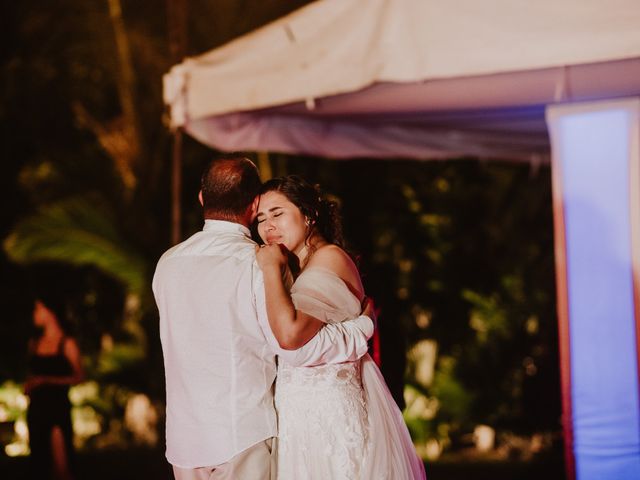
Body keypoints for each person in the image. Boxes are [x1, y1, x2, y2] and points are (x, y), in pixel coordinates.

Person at [152, 156, 375, 480]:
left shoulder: (167, 263)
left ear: (202, 198)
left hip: (185, 441)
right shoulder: (259, 263)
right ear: (253, 202)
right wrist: (362, 328)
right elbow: (296, 347)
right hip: (243, 433)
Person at [255, 175, 427, 479]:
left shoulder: (329, 258)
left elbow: (290, 334)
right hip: (299, 418)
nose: (268, 226)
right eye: (260, 218)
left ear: (309, 215)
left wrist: (269, 266)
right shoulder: (300, 266)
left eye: (278, 213)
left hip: (329, 419)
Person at [25, 297, 83, 480]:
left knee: (62, 467)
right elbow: (32, 373)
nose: (34, 314)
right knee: (40, 464)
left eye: (38, 309)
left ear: (50, 312)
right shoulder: (34, 343)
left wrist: (46, 380)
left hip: (57, 409)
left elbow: (79, 377)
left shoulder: (67, 343)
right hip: (36, 410)